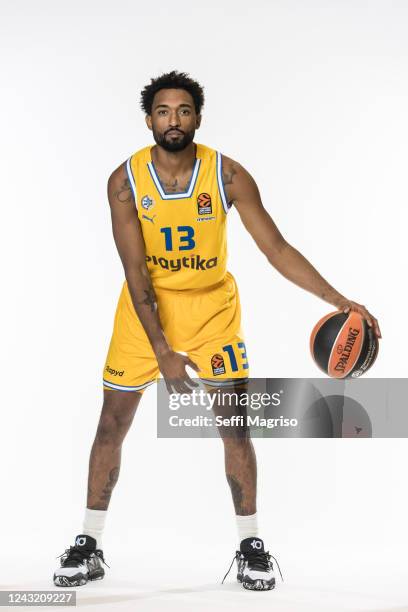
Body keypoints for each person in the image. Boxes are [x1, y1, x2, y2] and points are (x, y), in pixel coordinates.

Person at [53, 70, 381, 591]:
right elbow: (135, 271)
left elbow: (276, 249)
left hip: (213, 312)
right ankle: (88, 543)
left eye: (183, 111)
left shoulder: (228, 176)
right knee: (111, 425)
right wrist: (161, 349)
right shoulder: (125, 181)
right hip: (146, 313)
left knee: (235, 426)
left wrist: (340, 300)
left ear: (198, 118)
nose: (173, 120)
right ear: (148, 121)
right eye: (163, 112)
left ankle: (251, 547)